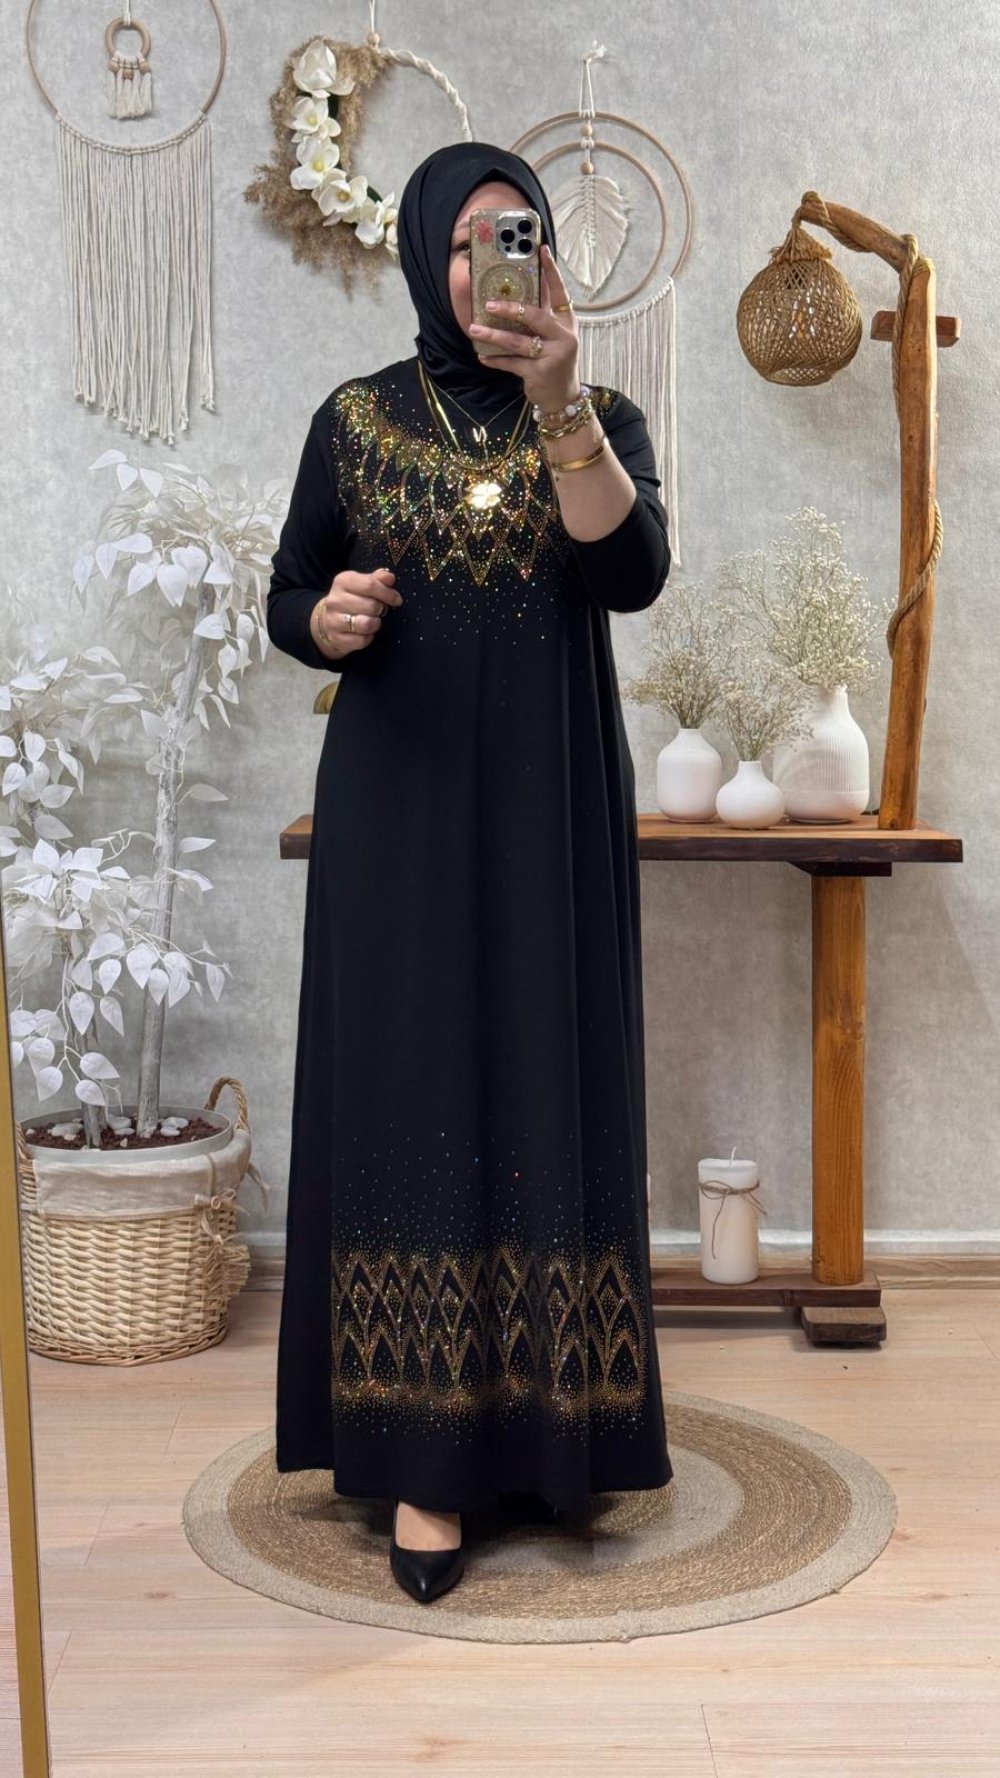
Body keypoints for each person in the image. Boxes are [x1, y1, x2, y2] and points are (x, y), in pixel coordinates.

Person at [267, 140, 675, 1606]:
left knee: (542, 1078)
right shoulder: (355, 419)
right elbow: (288, 592)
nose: (491, 263)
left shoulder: (600, 416)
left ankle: (558, 1438)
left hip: (549, 814)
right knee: (412, 1096)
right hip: (400, 812)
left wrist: (561, 401)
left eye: (520, 235)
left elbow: (630, 574)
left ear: (546, 259)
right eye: (465, 240)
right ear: (425, 252)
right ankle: (422, 1467)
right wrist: (330, 619)